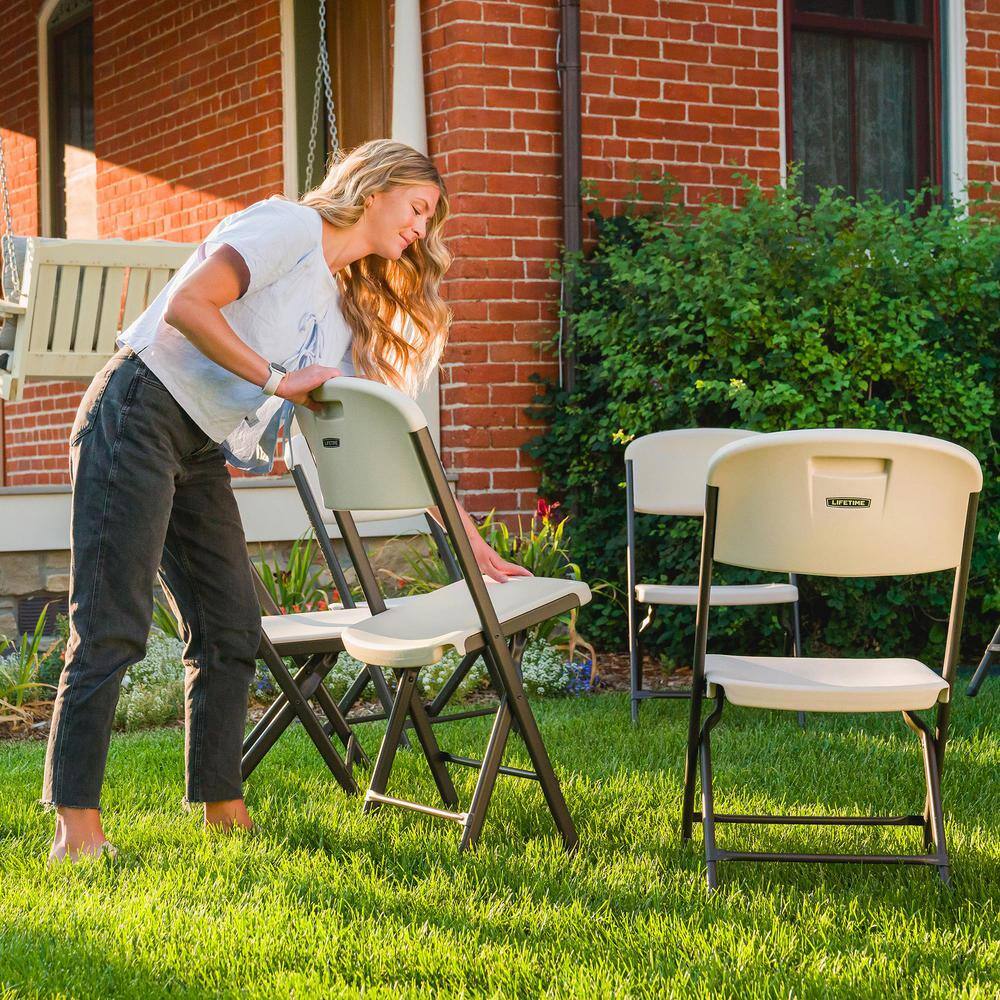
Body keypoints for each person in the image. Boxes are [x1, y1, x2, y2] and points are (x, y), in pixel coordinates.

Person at [43, 139, 529, 862]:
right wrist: (276, 379)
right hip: (137, 409)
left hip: (198, 444)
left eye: (431, 220)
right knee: (113, 623)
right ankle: (76, 833)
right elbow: (187, 306)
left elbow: (397, 438)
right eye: (419, 208)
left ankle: (222, 812)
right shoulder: (289, 228)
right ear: (376, 188)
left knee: (232, 630)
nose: (422, 231)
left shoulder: (341, 309)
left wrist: (471, 543)